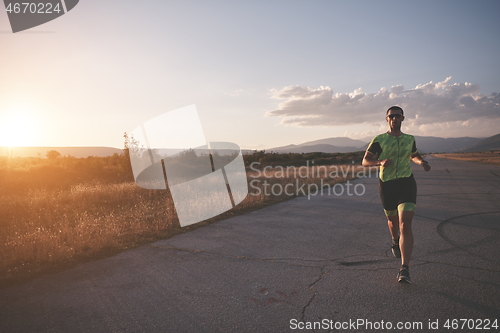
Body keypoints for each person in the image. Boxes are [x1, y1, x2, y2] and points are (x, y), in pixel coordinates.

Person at [362, 106, 431, 284]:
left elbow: (413, 155)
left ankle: (404, 269)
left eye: (397, 116)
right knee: (393, 222)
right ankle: (394, 240)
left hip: (406, 183)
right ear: (387, 119)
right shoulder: (379, 139)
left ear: (402, 118)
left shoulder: (409, 139)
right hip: (387, 185)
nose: (394, 118)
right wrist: (380, 162)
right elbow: (365, 161)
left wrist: (421, 161)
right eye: (391, 116)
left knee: (404, 223)